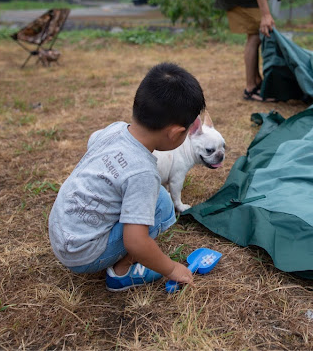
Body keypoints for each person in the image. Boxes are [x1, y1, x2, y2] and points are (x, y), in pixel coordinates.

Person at [48, 62, 206, 291]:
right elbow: (136, 242)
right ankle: (121, 272)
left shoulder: (114, 129)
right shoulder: (143, 173)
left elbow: (93, 142)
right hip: (83, 255)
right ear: (176, 133)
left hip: (60, 232)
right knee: (161, 204)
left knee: (152, 196)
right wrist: (171, 269)